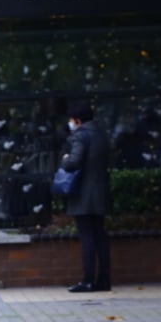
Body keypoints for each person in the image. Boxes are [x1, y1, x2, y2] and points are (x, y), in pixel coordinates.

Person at [61, 100, 111, 292]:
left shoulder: (80, 136)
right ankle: (104, 280)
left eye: (72, 119)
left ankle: (87, 280)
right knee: (100, 236)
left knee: (87, 237)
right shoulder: (101, 134)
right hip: (100, 191)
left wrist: (65, 160)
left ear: (78, 120)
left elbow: (74, 161)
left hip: (84, 195)